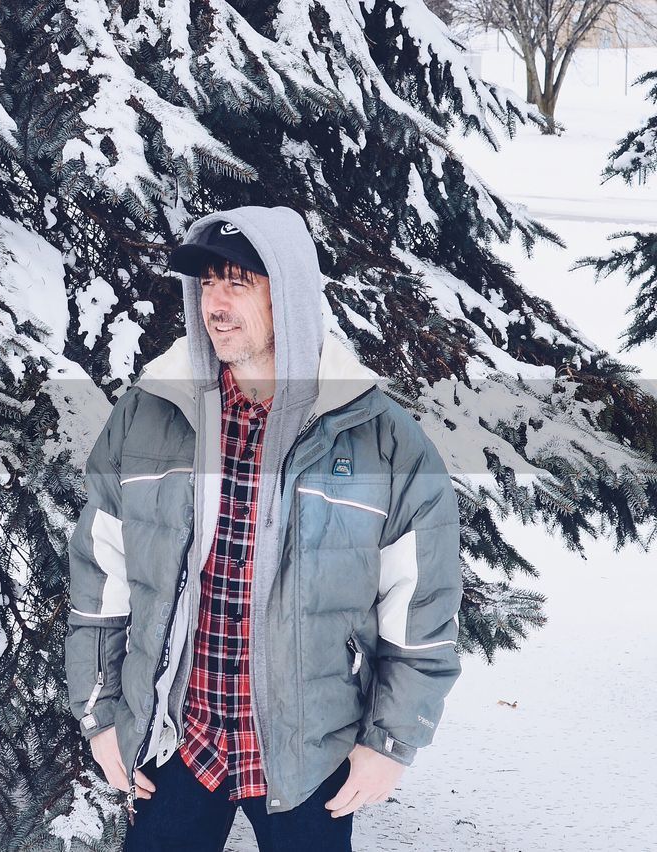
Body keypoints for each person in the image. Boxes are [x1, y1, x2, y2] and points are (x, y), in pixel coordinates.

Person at [63, 206, 463, 851]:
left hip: (307, 754)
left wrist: (391, 741)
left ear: (292, 294)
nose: (215, 304)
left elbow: (420, 605)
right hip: (177, 742)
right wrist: (100, 711)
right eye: (207, 285)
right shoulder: (149, 415)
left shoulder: (379, 437)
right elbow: (100, 581)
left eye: (239, 283)